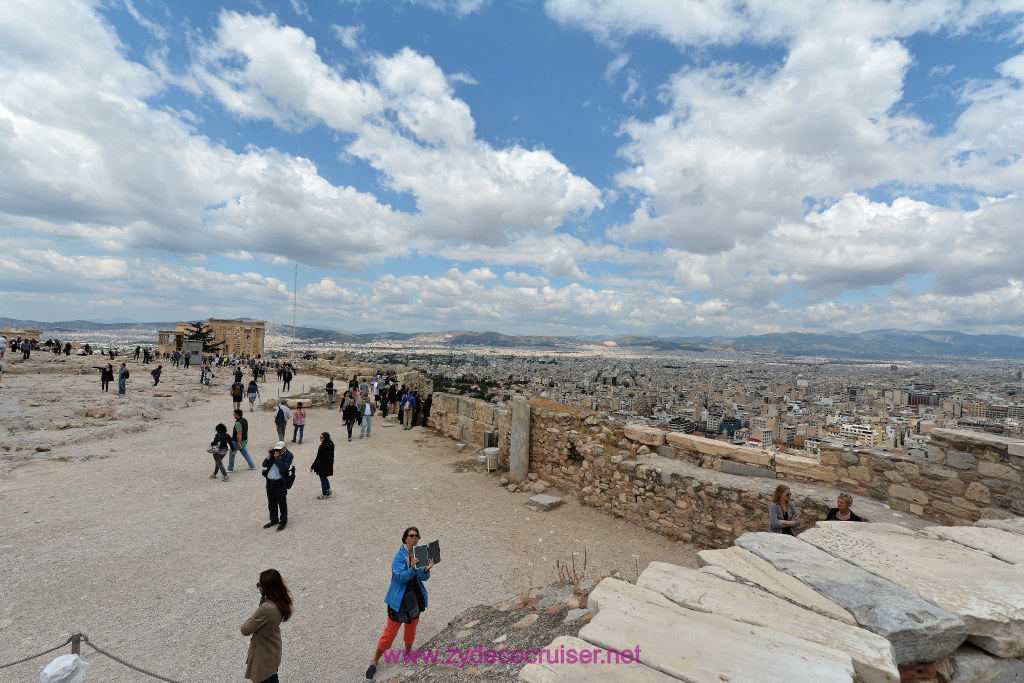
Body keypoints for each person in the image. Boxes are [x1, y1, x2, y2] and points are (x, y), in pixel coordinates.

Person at [366, 527, 434, 680]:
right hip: (398, 601)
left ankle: (408, 655)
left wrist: (426, 570)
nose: (415, 538)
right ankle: (375, 661)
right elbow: (400, 578)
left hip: (415, 599)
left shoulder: (420, 552)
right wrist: (413, 569)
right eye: (412, 535)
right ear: (405, 538)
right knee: (389, 634)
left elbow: (423, 578)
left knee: (411, 630)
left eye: (417, 536)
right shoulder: (399, 557)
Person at [241, 568, 293, 683]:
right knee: (273, 677)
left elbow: (245, 629)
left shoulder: (266, 609)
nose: (258, 587)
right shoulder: (281, 600)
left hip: (263, 658)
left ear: (266, 588)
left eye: (259, 585)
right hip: (273, 652)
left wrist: (258, 611)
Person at [262, 441, 293, 531]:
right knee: (271, 502)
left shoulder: (289, 455)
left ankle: (283, 522)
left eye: (279, 449)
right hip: (270, 481)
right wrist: (269, 456)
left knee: (282, 503)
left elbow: (284, 468)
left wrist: (277, 459)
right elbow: (264, 464)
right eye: (276, 449)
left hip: (280, 482)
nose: (277, 450)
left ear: (284, 448)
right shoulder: (274, 453)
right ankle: (274, 520)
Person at [310, 432, 334, 499]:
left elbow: (318, 457)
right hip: (329, 464)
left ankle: (324, 494)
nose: (320, 438)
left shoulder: (322, 446)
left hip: (322, 465)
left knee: (322, 478)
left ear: (324, 438)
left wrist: (312, 466)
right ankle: (328, 490)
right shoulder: (331, 444)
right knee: (324, 477)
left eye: (321, 437)